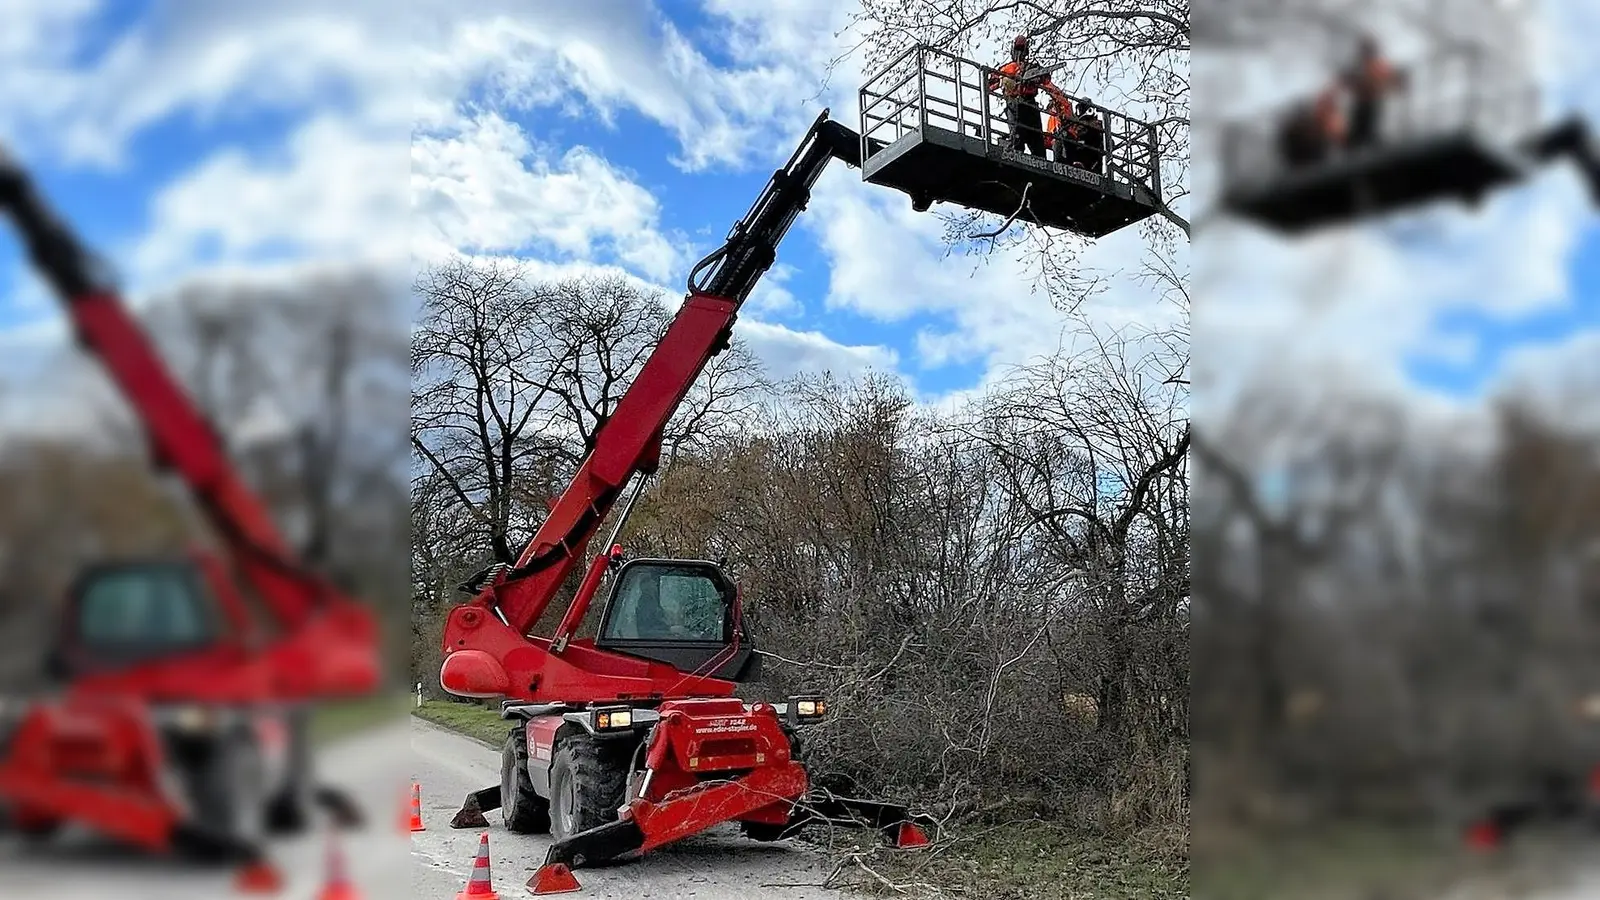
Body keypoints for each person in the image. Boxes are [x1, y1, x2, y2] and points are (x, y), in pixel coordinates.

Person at [987, 34, 1056, 158]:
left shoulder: (1033, 68)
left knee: (1037, 144)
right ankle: (1015, 154)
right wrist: (1005, 80)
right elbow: (990, 85)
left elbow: (1046, 79)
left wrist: (1036, 78)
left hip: (1030, 105)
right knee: (1017, 139)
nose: (1020, 53)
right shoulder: (1006, 68)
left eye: (1021, 49)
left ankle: (1038, 161)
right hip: (1014, 104)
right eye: (1018, 49)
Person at [1342, 35, 1406, 151]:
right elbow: (1349, 80)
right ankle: (1359, 145)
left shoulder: (1376, 66)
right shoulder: (1361, 66)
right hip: (1362, 104)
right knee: (1359, 131)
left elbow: (1393, 78)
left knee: (1368, 129)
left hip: (1371, 102)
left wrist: (1394, 83)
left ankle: (1368, 144)